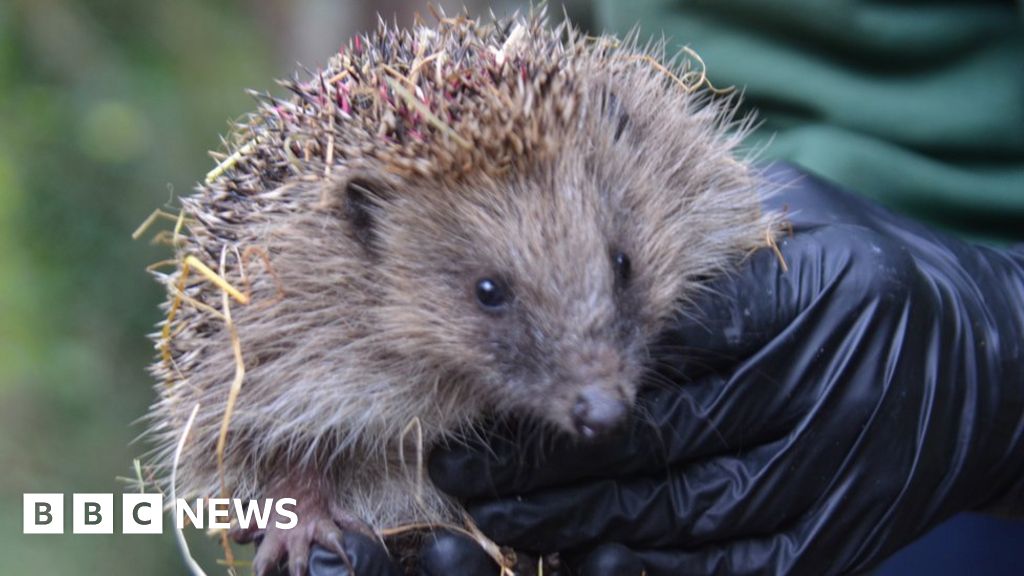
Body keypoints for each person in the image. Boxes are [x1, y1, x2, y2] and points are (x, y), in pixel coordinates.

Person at [276, 0, 1024, 573]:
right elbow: (505, 67)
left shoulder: (655, 190)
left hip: (938, 396)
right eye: (490, 296)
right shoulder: (352, 284)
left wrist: (1004, 357)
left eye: (619, 269)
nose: (602, 393)